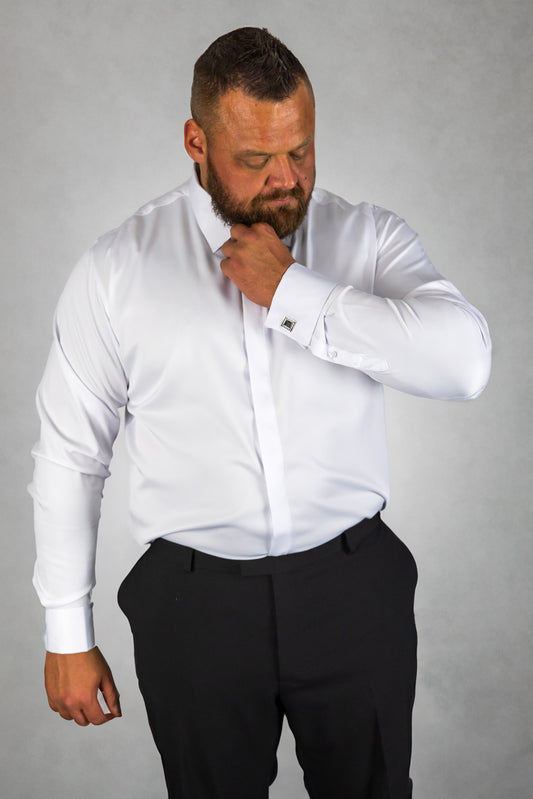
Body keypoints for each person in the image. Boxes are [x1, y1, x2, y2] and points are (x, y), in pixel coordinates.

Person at [30, 26, 491, 799]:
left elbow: (464, 362)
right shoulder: (117, 269)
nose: (285, 179)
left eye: (300, 152)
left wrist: (294, 293)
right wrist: (66, 633)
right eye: (255, 160)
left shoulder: (365, 237)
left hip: (353, 591)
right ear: (196, 142)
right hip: (193, 604)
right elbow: (71, 452)